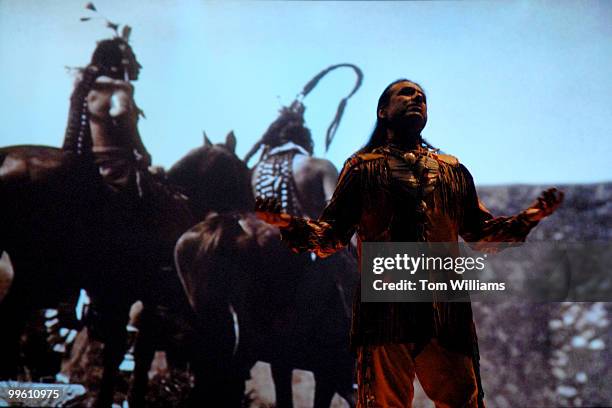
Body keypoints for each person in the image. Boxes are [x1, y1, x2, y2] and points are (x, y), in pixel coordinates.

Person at [255, 79, 563, 407]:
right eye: (406, 93)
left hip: (445, 311)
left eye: (422, 96)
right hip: (385, 311)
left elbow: (482, 234)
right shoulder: (361, 169)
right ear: (382, 111)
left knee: (463, 400)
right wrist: (287, 223)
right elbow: (331, 237)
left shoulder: (452, 171)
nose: (416, 98)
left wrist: (530, 216)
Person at [249, 104, 357, 407]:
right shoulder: (318, 165)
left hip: (266, 265)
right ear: (305, 140)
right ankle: (350, 373)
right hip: (310, 261)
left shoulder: (256, 170)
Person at [62, 37, 151, 199]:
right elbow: (120, 113)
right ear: (118, 62)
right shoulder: (119, 87)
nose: (138, 65)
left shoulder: (87, 87)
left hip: (90, 163)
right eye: (133, 59)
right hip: (117, 169)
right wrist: (142, 150)